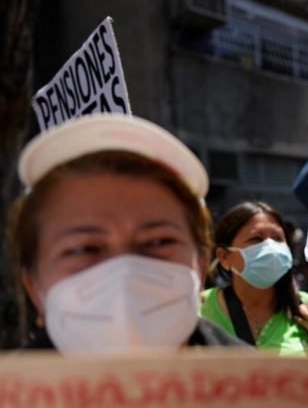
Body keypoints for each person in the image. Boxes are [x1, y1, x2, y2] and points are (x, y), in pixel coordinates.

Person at [8, 114, 245, 353]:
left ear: (202, 266)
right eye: (84, 248)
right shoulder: (8, 389)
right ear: (33, 286)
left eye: (159, 241)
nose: (125, 272)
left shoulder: (273, 385)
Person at [201, 201, 308, 354]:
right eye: (256, 239)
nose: (271, 247)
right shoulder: (198, 308)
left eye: (277, 238)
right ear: (224, 257)